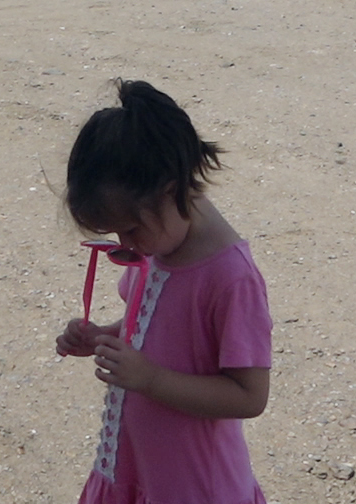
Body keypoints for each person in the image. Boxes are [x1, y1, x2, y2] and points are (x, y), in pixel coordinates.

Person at [54, 81, 273, 504]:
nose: (125, 241)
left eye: (130, 228)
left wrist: (150, 379)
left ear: (169, 191)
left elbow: (250, 395)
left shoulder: (230, 278)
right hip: (139, 469)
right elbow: (156, 323)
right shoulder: (161, 240)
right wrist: (106, 335)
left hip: (194, 485)